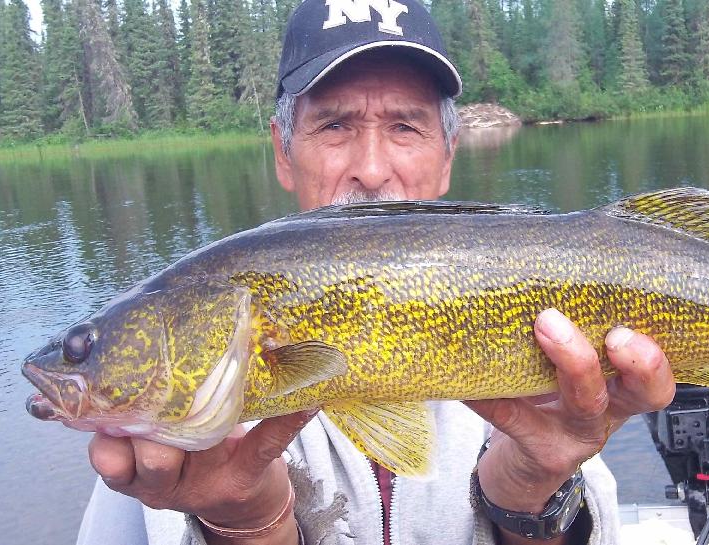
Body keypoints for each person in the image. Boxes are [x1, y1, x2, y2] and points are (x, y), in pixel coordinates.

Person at [76, 1, 675, 544]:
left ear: (448, 151)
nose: (370, 167)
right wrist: (245, 525)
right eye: (334, 126)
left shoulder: (559, 380)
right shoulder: (168, 450)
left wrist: (529, 490)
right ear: (283, 150)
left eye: (405, 126)